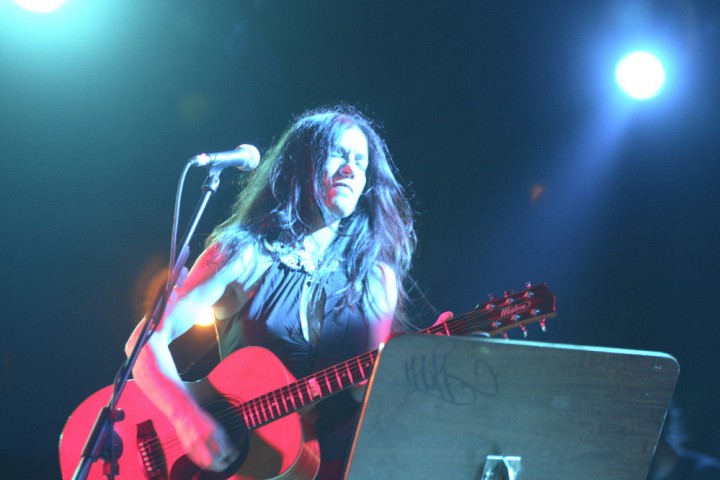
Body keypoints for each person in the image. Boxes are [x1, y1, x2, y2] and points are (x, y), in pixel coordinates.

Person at [125, 105, 417, 479]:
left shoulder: (375, 278)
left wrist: (420, 358)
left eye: (361, 163)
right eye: (339, 154)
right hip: (238, 466)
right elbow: (144, 340)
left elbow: (366, 391)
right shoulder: (244, 252)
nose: (351, 169)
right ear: (302, 162)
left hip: (329, 466)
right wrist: (186, 416)